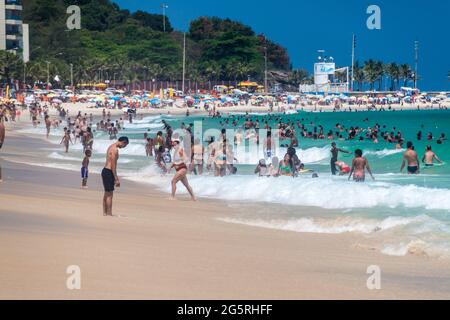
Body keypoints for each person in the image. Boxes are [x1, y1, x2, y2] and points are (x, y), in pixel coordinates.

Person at [102, 137, 129, 217]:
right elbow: (113, 164)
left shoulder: (111, 146)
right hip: (109, 172)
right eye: (125, 145)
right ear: (123, 142)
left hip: (105, 171)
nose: (123, 147)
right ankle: (109, 213)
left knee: (106, 193)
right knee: (110, 194)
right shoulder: (115, 150)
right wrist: (116, 178)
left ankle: (105, 212)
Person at [0, 116, 5, 182]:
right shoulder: (2, 125)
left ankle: (0, 177)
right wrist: (1, 144)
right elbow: (3, 137)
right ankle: (0, 177)